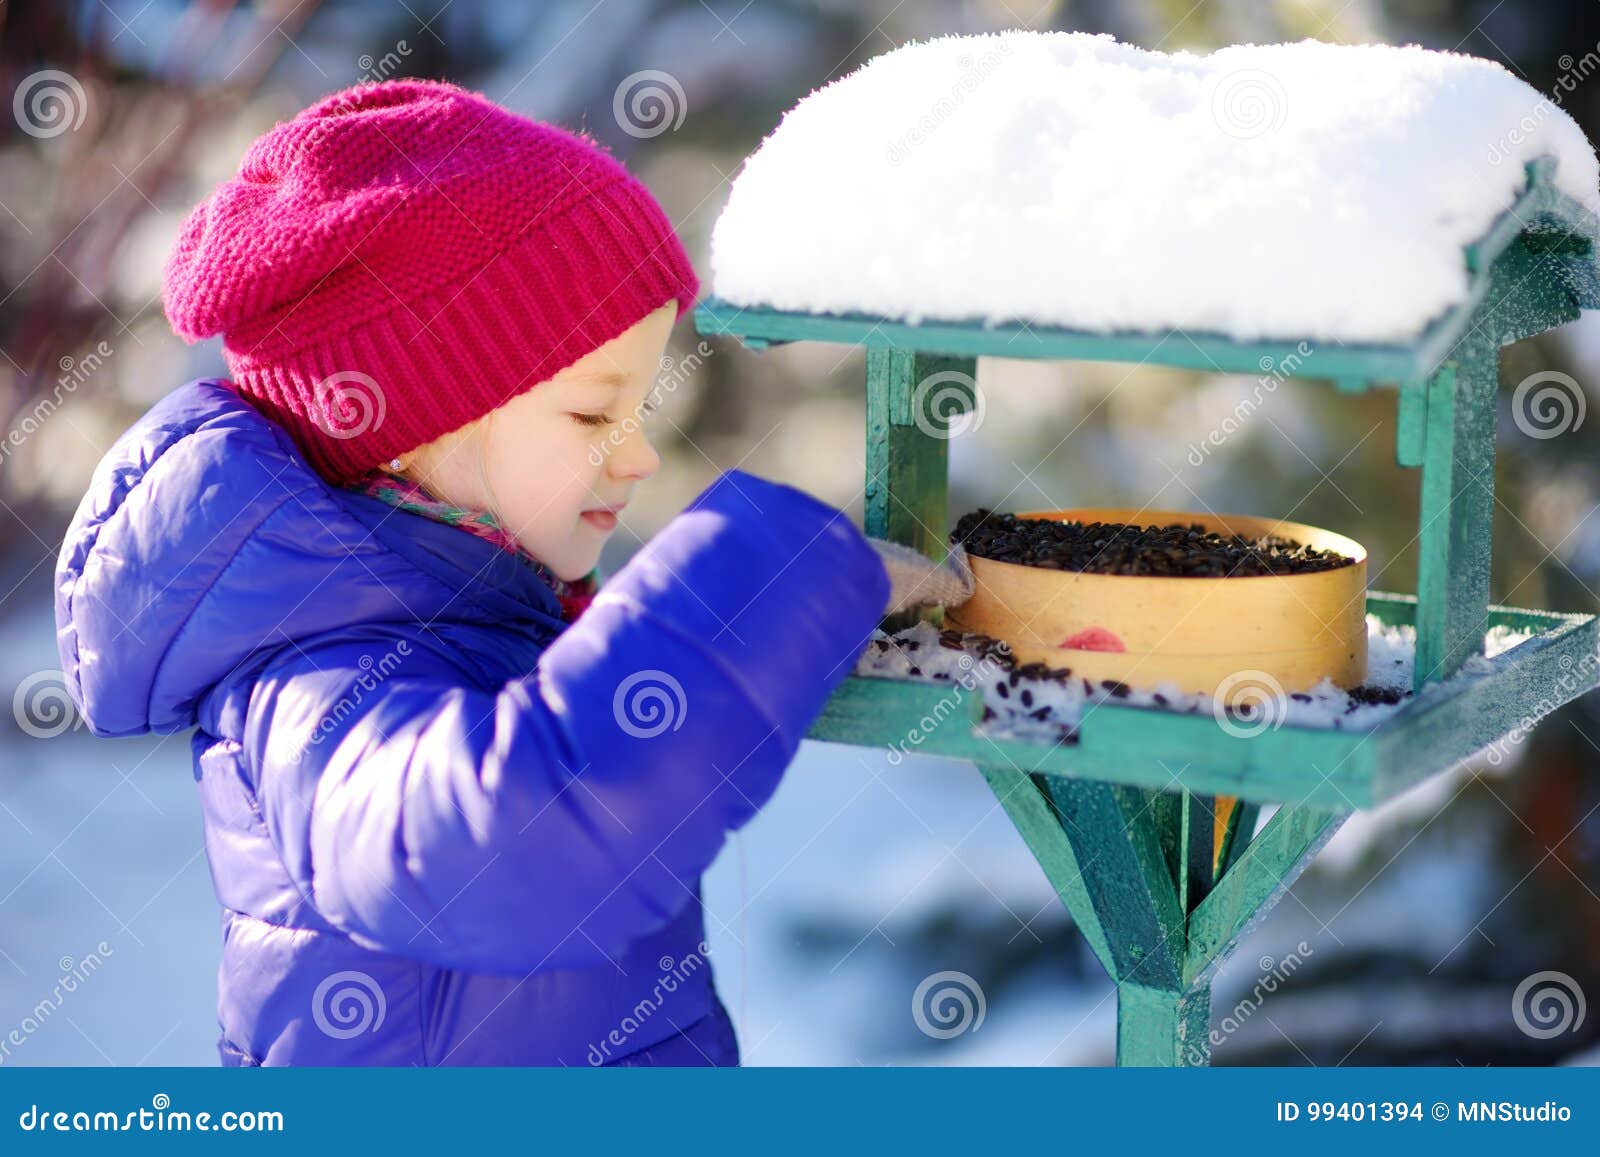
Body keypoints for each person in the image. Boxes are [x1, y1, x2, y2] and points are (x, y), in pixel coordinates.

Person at [53, 78, 970, 1066]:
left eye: (640, 410)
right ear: (415, 430)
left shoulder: (475, 623)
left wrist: (805, 620)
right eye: (591, 413)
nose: (638, 456)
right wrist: (761, 588)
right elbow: (496, 847)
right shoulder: (318, 673)